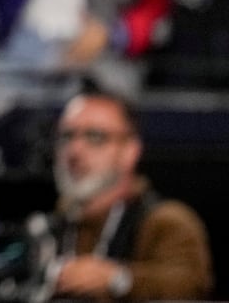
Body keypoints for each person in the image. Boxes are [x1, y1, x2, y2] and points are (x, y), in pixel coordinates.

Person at [38, 89, 213, 300]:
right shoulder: (56, 221)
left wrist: (119, 279)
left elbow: (191, 285)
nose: (75, 150)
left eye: (95, 136)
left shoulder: (166, 222)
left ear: (130, 150)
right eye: (67, 136)